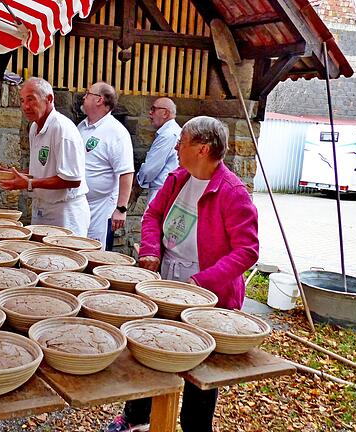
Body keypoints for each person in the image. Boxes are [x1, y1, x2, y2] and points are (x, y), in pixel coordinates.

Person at [106, 116, 259, 432]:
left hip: (208, 294)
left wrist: (200, 283)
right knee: (152, 349)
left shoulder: (232, 192)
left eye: (182, 141)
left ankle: (194, 428)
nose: (176, 146)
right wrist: (150, 250)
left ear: (202, 149)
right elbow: (153, 215)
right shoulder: (179, 178)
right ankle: (135, 420)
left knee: (199, 366)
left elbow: (247, 251)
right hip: (167, 284)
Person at [0, 77, 90, 236]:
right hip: (42, 207)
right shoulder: (34, 127)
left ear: (49, 99)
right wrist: (17, 174)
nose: (25, 106)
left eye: (31, 99)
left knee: (64, 258)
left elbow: (73, 179)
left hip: (65, 213)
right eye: (22, 100)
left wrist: (28, 183)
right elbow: (43, 167)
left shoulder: (62, 128)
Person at [77, 82, 134, 249]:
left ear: (99, 100)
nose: (84, 96)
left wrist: (121, 209)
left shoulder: (116, 132)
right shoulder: (82, 126)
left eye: (88, 93)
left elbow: (126, 172)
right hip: (80, 204)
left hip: (101, 208)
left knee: (95, 253)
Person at [132, 97, 181, 206]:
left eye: (154, 109)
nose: (150, 113)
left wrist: (137, 183)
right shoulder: (171, 132)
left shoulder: (167, 135)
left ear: (165, 113)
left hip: (161, 193)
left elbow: (150, 169)